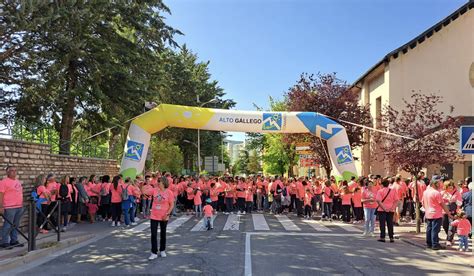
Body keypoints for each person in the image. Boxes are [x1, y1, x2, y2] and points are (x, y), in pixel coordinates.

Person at [146, 176, 174, 260]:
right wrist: (140, 185)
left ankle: (162, 250)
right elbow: (144, 192)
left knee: (163, 234)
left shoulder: (169, 192)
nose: (158, 183)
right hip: (154, 215)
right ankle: (153, 252)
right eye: (158, 181)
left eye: (160, 181)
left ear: (164, 183)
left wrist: (167, 213)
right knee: (153, 234)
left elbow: (172, 204)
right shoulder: (154, 190)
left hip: (164, 216)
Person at [422, 176, 453, 250]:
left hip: (428, 213)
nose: (441, 183)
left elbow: (422, 203)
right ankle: (435, 244)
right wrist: (448, 213)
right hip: (436, 214)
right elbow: (443, 205)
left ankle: (429, 243)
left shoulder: (426, 192)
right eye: (440, 182)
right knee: (435, 230)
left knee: (429, 229)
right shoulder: (436, 193)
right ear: (436, 183)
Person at [0, 166, 24, 248]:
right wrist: (1, 206)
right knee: (8, 225)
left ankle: (14, 240)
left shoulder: (17, 181)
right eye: (11, 170)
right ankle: (4, 242)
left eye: (15, 170)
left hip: (19, 206)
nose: (14, 172)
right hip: (9, 207)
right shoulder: (4, 182)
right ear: (7, 172)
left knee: (16, 225)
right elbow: (1, 194)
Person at [376, 178, 399, 243]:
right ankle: (391, 237)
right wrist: (392, 208)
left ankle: (382, 237)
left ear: (382, 185)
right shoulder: (393, 191)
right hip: (390, 210)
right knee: (390, 223)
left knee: (382, 224)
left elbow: (378, 201)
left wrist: (384, 208)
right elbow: (396, 200)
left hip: (382, 210)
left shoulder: (380, 191)